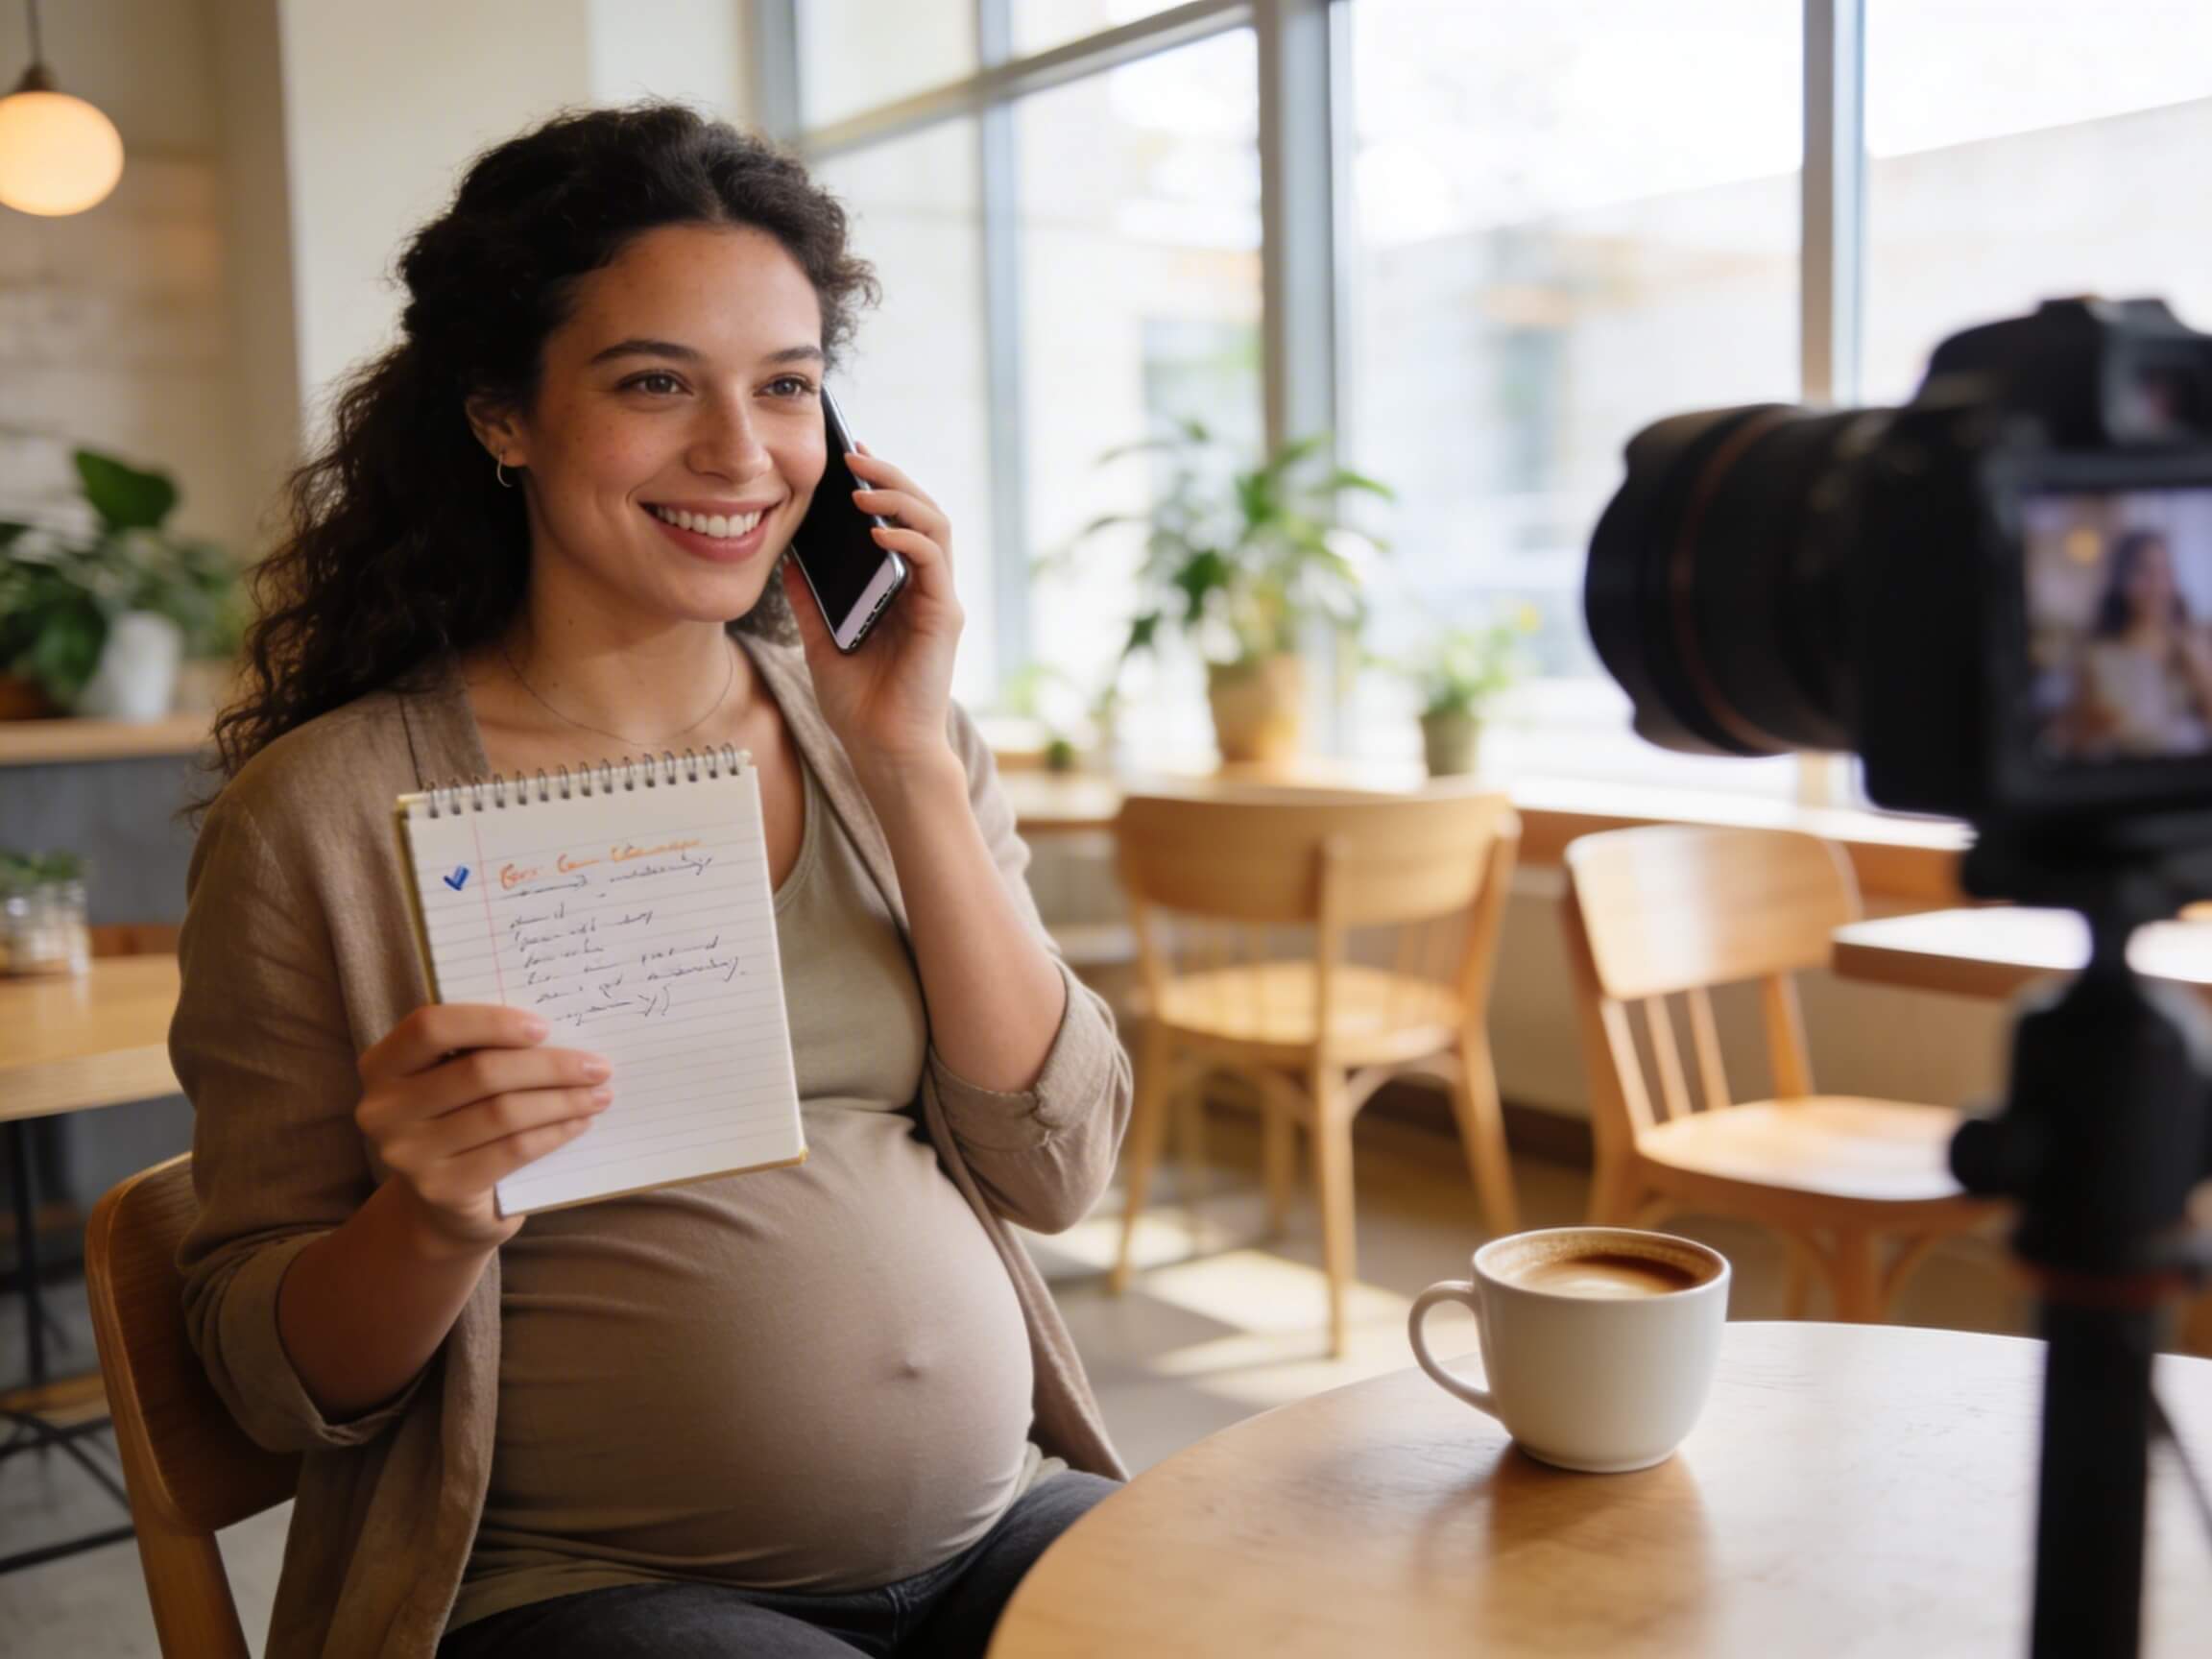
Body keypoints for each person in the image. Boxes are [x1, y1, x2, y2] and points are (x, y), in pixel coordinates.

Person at [172, 104, 1132, 1659]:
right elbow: (266, 1375)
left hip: (992, 1520)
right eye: (652, 384)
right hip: (581, 1586)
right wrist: (429, 1209)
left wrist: (909, 768)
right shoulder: (321, 817)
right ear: (501, 414)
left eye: (787, 386)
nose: (738, 454)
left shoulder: (885, 727)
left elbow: (1057, 1165)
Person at [2066, 528, 2212, 758]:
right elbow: (2077, 738)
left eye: (2164, 571)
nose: (2156, 585)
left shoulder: (2195, 640)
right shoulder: (2098, 654)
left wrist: (2199, 669)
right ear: (2120, 579)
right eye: (2143, 572)